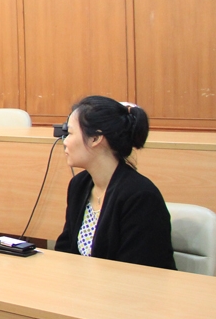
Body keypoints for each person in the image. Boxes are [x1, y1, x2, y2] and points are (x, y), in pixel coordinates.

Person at [55, 96, 175, 269]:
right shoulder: (79, 185)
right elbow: (66, 250)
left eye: (70, 133)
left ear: (95, 138)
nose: (65, 141)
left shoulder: (140, 196)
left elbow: (138, 270)